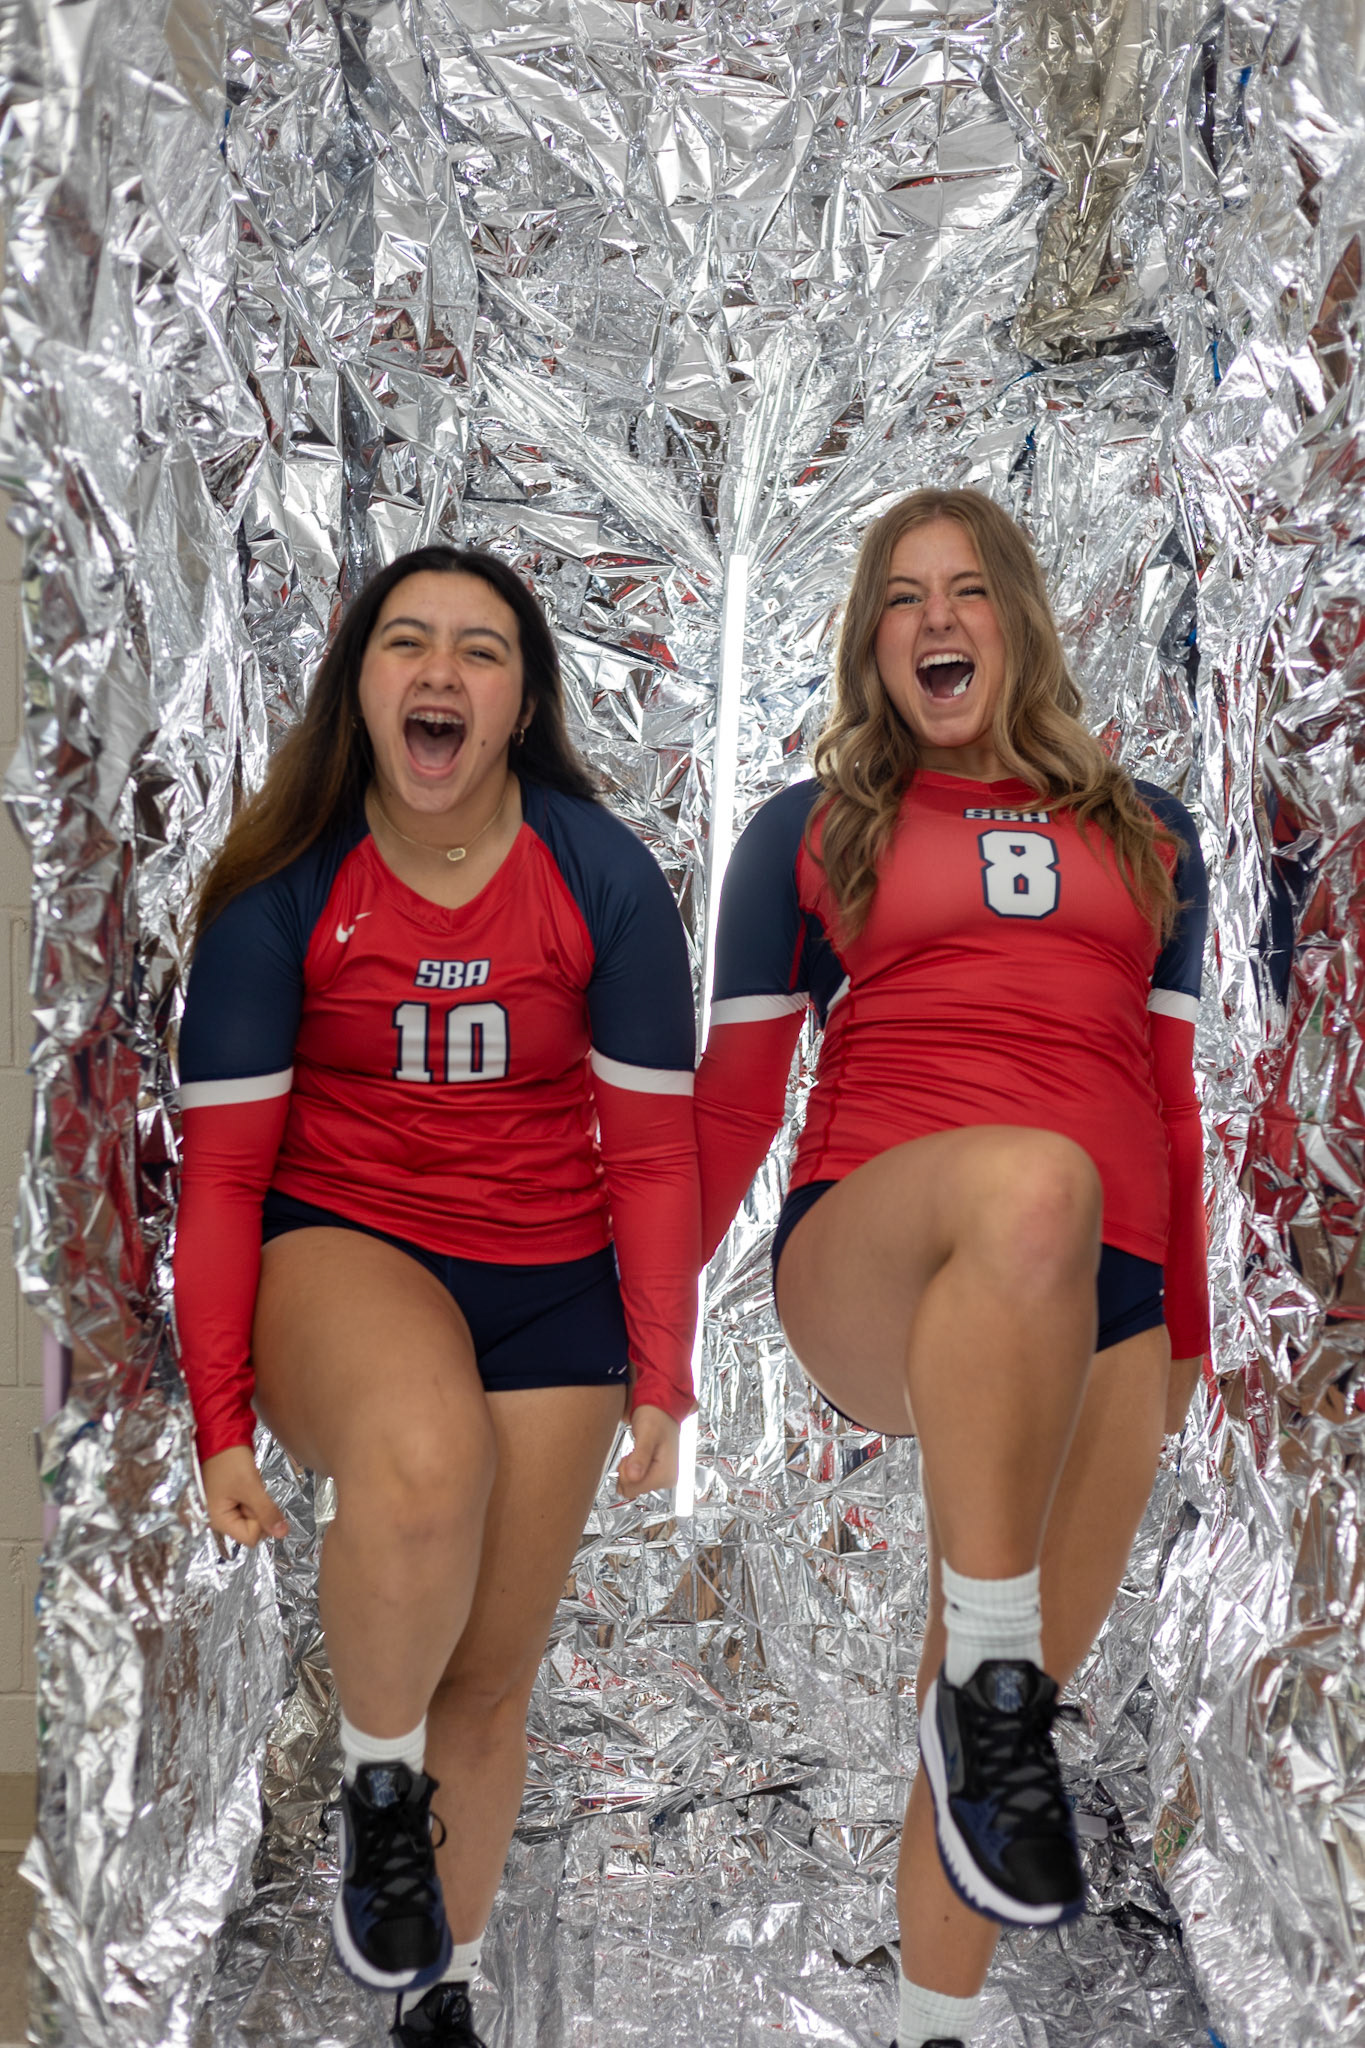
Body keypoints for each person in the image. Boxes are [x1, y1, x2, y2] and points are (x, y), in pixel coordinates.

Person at [694, 489, 1208, 2048]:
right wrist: (630, 1330)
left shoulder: (1148, 831)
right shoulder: (812, 829)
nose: (935, 619)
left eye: (966, 589)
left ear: (1015, 622)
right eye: (902, 596)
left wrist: (1185, 1333)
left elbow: (1172, 1103)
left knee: (999, 1706)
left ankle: (934, 2019)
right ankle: (982, 1695)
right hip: (877, 1253)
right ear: (871, 642)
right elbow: (728, 1106)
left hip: (1103, 1292)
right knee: (1030, 1181)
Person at [173, 547, 700, 2048]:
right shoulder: (290, 891)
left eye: (480, 648)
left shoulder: (597, 874)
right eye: (407, 642)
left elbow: (651, 1154)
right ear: (361, 688)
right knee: (421, 1456)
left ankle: (435, 1996)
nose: (441, 671)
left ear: (522, 702)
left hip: (548, 1285)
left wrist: (662, 1372)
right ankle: (378, 1790)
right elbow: (223, 1181)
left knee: (487, 1675)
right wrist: (221, 1419)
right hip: (341, 1249)